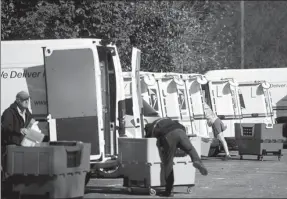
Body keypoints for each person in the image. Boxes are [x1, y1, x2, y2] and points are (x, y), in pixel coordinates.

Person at [145, 117, 208, 197]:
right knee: (190, 149)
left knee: (168, 164)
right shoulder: (167, 120)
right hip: (181, 132)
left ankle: (169, 191)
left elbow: (151, 140)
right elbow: (182, 127)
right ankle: (197, 161)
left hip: (168, 136)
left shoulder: (152, 128)